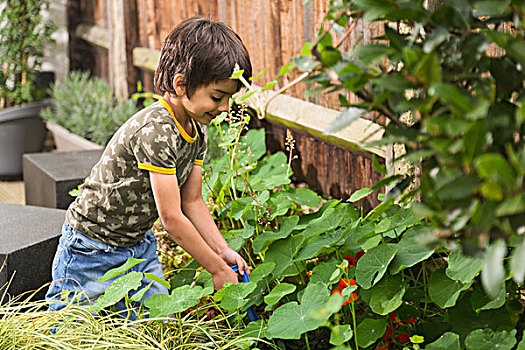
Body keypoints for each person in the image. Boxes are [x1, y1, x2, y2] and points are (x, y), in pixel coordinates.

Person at [46, 16, 252, 316]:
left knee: (157, 322)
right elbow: (171, 218)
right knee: (67, 330)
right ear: (181, 85)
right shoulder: (156, 131)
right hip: (91, 246)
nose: (225, 108)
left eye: (229, 98)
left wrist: (222, 251)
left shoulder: (197, 131)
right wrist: (216, 269)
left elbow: (191, 201)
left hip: (137, 248)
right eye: (218, 97)